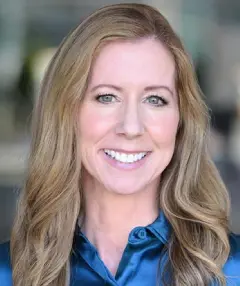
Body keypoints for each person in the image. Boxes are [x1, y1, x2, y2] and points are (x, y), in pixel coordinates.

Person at [0, 3, 239, 286]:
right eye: (106, 97)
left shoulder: (231, 270)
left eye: (155, 99)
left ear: (181, 120)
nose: (131, 127)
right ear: (66, 113)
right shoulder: (9, 274)